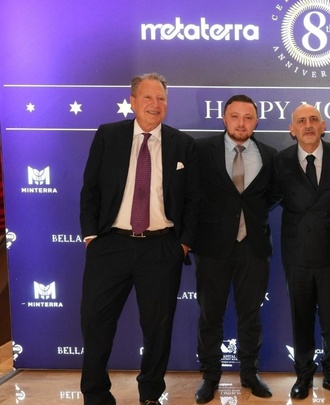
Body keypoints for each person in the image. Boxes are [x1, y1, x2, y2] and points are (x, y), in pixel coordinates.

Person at [79, 72, 200, 405]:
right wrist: (92, 236)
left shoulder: (182, 144)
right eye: (147, 97)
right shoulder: (109, 135)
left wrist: (182, 244)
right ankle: (95, 395)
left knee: (158, 328)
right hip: (110, 245)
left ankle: (150, 393)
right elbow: (90, 189)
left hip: (161, 248)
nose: (155, 104)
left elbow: (194, 200)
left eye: (161, 98)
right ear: (132, 101)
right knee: (96, 322)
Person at [192, 95, 278, 403]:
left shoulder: (270, 155)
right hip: (211, 247)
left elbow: (272, 196)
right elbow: (191, 194)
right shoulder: (201, 150)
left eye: (248, 117)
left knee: (250, 315)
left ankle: (249, 373)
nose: (241, 123)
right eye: (235, 116)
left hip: (253, 247)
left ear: (256, 122)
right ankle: (210, 375)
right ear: (224, 119)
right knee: (210, 315)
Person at [272, 104, 330, 400]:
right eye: (301, 121)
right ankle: (304, 375)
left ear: (323, 126)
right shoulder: (280, 161)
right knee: (302, 318)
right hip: (297, 254)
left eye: (313, 119)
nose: (308, 125)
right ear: (292, 130)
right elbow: (265, 199)